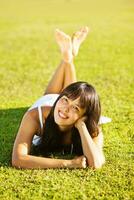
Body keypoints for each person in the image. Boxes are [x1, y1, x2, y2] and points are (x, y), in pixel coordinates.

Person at [12, 27, 110, 169]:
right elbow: (18, 159)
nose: (66, 108)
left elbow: (96, 163)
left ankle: (68, 57)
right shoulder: (35, 116)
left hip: (62, 109)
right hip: (49, 103)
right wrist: (69, 163)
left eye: (76, 108)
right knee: (69, 93)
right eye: (65, 100)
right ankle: (68, 57)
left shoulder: (90, 126)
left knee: (74, 94)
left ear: (84, 116)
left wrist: (81, 127)